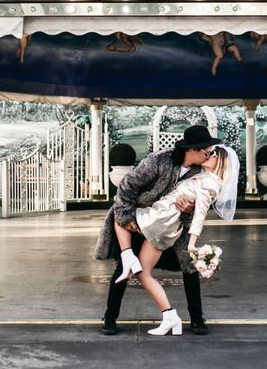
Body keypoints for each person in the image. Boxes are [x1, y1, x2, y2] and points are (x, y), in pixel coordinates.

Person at [93, 124, 222, 335]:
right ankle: (110, 318)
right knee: (124, 268)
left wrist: (188, 210)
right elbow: (128, 185)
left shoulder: (202, 173)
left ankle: (197, 319)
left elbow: (202, 209)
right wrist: (125, 216)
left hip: (175, 225)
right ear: (192, 150)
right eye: (205, 149)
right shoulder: (159, 160)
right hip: (141, 217)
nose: (209, 153)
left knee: (189, 266)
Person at [113, 145, 239, 336]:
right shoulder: (198, 174)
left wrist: (191, 243)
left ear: (220, 162)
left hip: (160, 220)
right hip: (163, 222)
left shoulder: (211, 183)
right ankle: (170, 316)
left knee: (119, 218)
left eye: (212, 154)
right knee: (142, 273)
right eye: (207, 151)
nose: (208, 155)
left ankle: (127, 256)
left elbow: (200, 215)